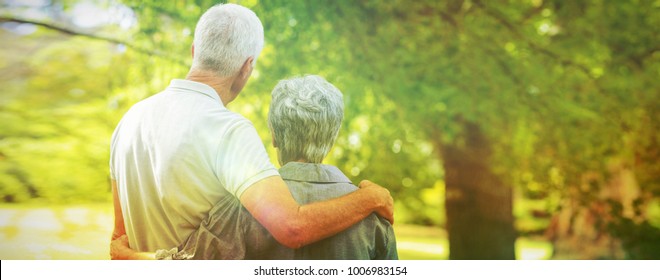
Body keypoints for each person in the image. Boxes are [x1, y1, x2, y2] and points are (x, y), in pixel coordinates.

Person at [109, 3, 393, 256]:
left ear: (194, 51)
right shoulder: (227, 128)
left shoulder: (129, 121)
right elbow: (292, 228)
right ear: (247, 66)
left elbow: (119, 241)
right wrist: (369, 198)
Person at [112, 75, 398, 260]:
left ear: (273, 135)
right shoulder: (375, 218)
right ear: (332, 137)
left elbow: (185, 266)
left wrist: (129, 257)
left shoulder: (238, 208)